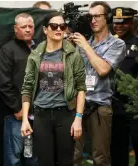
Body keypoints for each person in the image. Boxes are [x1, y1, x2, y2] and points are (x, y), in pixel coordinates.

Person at [21, 12, 86, 166]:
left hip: (65, 114)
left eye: (62, 26)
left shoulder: (72, 54)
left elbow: (81, 88)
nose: (59, 29)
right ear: (45, 29)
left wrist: (78, 118)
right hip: (41, 115)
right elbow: (27, 88)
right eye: (54, 26)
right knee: (44, 162)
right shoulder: (35, 55)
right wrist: (25, 119)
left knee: (65, 162)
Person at [72, 2, 126, 166]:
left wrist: (85, 47)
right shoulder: (82, 43)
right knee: (72, 155)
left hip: (100, 106)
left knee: (100, 157)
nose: (93, 20)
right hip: (77, 105)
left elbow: (103, 69)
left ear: (108, 18)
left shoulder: (117, 44)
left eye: (97, 16)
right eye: (90, 16)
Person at [111, 7, 138, 166]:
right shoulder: (111, 43)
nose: (119, 26)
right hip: (115, 104)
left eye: (123, 22)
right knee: (117, 147)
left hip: (137, 105)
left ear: (131, 23)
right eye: (116, 22)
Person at [0, 13, 38, 166]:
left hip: (37, 115)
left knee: (32, 157)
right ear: (15, 29)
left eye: (30, 26)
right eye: (23, 27)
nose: (27, 30)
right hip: (16, 116)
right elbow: (2, 83)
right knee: (14, 158)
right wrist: (17, 108)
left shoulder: (39, 48)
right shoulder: (7, 50)